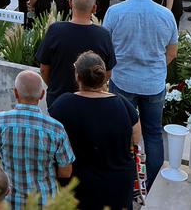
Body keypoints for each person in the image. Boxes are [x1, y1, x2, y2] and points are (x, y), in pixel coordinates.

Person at [103, 0, 179, 189]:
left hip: (123, 80)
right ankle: (153, 184)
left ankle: (124, 178)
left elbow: (106, 48)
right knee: (153, 132)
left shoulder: (115, 12)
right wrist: (155, 66)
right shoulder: (166, 15)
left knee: (121, 131)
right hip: (153, 83)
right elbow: (172, 52)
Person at [49, 51, 141, 210]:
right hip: (118, 186)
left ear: (77, 76)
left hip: (78, 186)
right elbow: (135, 140)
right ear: (104, 76)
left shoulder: (62, 105)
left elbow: (51, 142)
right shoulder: (123, 105)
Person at [0, 70, 74, 210]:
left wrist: (9, 156)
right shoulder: (56, 129)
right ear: (42, 94)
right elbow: (66, 172)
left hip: (9, 201)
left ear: (15, 92)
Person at [36, 0, 117, 109]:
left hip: (58, 100)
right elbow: (108, 72)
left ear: (70, 3)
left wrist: (54, 87)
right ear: (94, 8)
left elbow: (44, 69)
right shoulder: (103, 35)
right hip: (91, 102)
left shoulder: (55, 30)